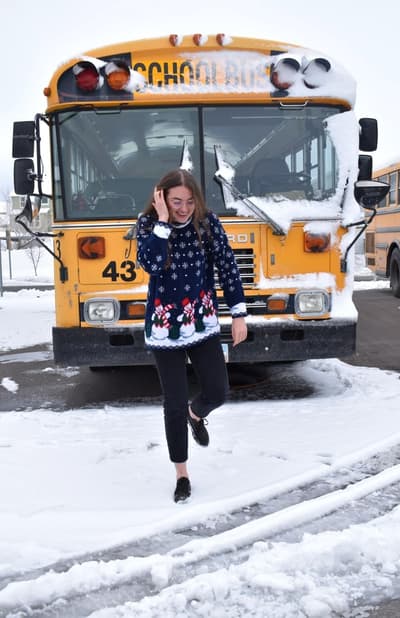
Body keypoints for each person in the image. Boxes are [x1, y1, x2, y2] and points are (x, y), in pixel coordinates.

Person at [137, 169, 248, 503]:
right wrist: (161, 222)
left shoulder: (207, 224)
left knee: (218, 391)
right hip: (164, 327)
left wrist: (238, 313)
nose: (183, 208)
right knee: (173, 401)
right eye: (175, 202)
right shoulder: (147, 225)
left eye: (189, 201)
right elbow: (151, 264)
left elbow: (227, 267)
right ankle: (181, 474)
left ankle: (195, 414)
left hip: (201, 322)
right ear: (161, 198)